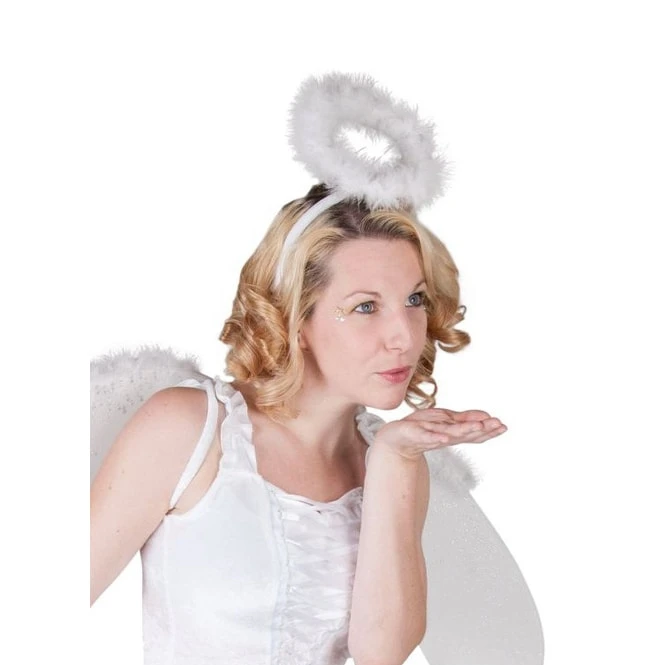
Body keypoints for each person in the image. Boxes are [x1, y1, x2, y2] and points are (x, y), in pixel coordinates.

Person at [90, 73, 544, 665]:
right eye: (365, 307)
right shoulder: (190, 430)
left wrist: (397, 459)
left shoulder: (391, 463)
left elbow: (382, 652)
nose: (405, 334)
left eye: (413, 299)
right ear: (295, 319)